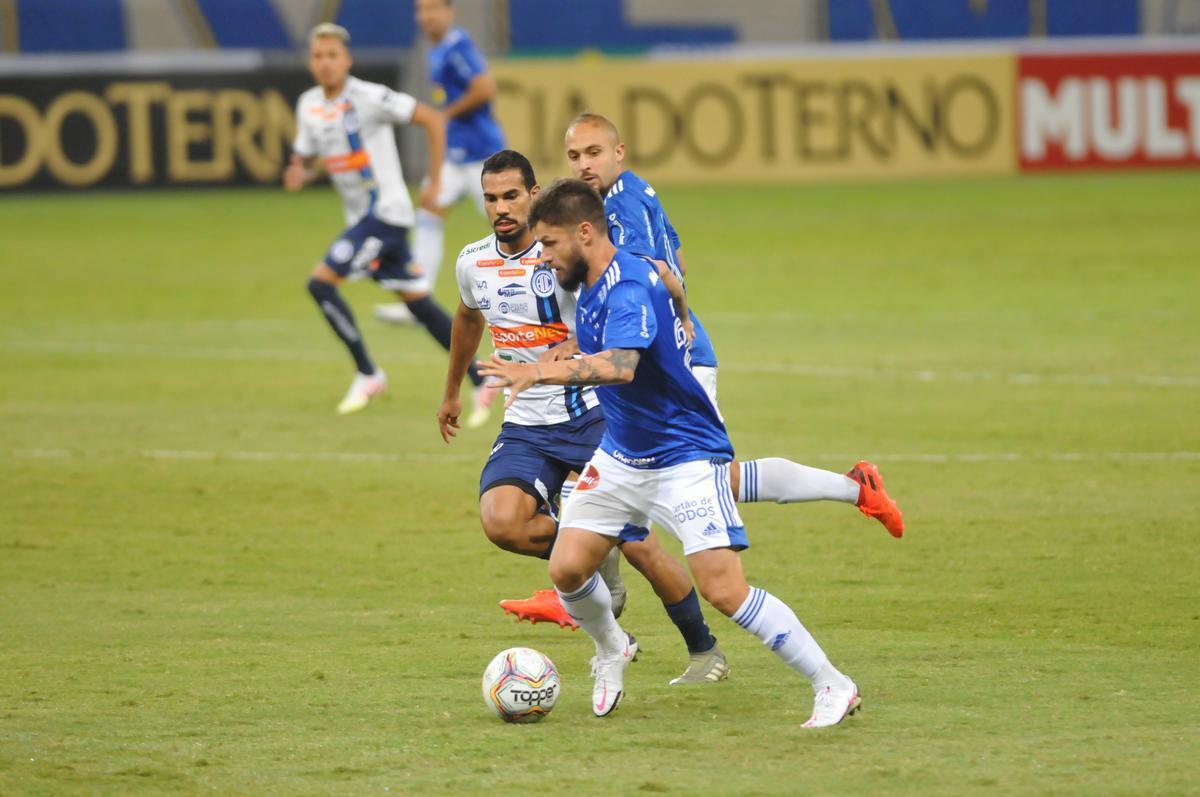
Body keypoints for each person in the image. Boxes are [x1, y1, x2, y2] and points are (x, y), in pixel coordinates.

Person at [478, 178, 862, 725]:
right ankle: (612, 648)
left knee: (724, 589)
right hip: (621, 455)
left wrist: (538, 370)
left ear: (584, 233)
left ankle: (833, 684)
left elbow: (620, 366)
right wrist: (680, 313)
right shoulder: (595, 276)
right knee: (566, 566)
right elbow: (670, 281)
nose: (542, 256)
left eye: (550, 243)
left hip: (685, 456)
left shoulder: (628, 285)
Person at [437, 150, 729, 684]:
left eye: (511, 196)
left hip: (594, 416)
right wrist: (453, 389)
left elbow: (627, 292)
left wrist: (569, 346)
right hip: (526, 420)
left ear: (532, 194)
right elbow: (466, 316)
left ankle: (704, 649)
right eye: (490, 198)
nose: (501, 208)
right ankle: (610, 617)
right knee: (502, 523)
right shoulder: (472, 261)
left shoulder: (566, 255)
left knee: (638, 543)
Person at [564, 112, 903, 535]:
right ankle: (577, 585)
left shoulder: (621, 205)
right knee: (603, 472)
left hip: (671, 361)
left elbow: (649, 272)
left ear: (618, 152)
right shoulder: (637, 189)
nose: (583, 165)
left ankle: (853, 489)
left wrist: (653, 320)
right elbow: (680, 259)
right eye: (575, 156)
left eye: (593, 153)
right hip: (665, 352)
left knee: (703, 479)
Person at [285, 23, 493, 422]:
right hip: (364, 220)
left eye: (333, 55)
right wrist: (301, 172)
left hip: (387, 216)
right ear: (311, 62)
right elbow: (308, 159)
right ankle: (481, 380)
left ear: (346, 59)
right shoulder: (309, 105)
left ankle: (368, 372)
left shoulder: (368, 96)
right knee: (420, 306)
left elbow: (432, 118)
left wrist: (433, 182)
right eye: (318, 56)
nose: (325, 63)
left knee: (320, 283)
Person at [375, 0, 507, 329]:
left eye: (433, 8)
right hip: (455, 155)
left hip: (481, 156)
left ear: (450, 12)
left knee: (515, 222)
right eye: (421, 10)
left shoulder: (457, 46)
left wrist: (444, 116)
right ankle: (418, 300)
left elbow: (485, 88)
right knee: (428, 211)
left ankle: (554, 289)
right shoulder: (435, 49)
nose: (426, 16)